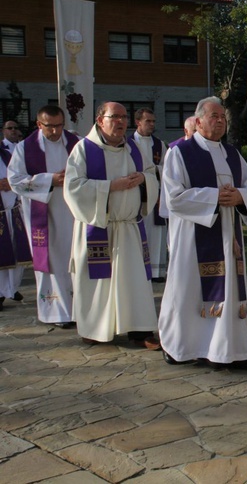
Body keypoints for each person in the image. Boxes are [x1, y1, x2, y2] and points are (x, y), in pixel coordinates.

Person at [158, 96, 247, 370]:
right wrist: (216, 197)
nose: (219, 120)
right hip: (194, 236)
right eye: (213, 115)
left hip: (228, 235)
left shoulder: (232, 154)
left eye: (223, 117)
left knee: (229, 290)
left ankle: (228, 350)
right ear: (198, 120)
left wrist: (240, 196)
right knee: (188, 291)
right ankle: (182, 347)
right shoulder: (179, 153)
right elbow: (174, 197)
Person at [63, 102, 160, 348]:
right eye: (114, 116)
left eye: (124, 117)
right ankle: (94, 329)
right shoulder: (84, 149)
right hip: (98, 227)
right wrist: (110, 187)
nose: (120, 122)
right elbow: (73, 188)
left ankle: (140, 331)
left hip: (128, 227)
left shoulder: (134, 149)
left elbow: (153, 174)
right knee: (98, 285)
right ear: (100, 120)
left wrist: (144, 179)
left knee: (134, 282)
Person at [8, 106, 77, 328]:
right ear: (39, 124)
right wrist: (50, 180)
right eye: (50, 126)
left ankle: (79, 310)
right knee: (52, 260)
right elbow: (15, 180)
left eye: (59, 125)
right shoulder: (25, 148)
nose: (56, 131)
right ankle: (57, 312)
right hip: (44, 214)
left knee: (76, 260)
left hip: (75, 212)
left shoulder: (77, 142)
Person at [130, 107, 169, 282]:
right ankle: (137, 269)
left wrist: (153, 170)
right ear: (138, 122)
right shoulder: (128, 143)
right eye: (148, 121)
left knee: (156, 231)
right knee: (138, 231)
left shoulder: (159, 144)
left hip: (155, 193)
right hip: (135, 193)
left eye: (153, 121)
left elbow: (167, 169)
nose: (152, 124)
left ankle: (156, 271)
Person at [0, 143, 30, 311]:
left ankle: (12, 288)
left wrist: (10, 184)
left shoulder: (7, 155)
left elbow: (18, 176)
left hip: (12, 211)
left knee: (16, 251)